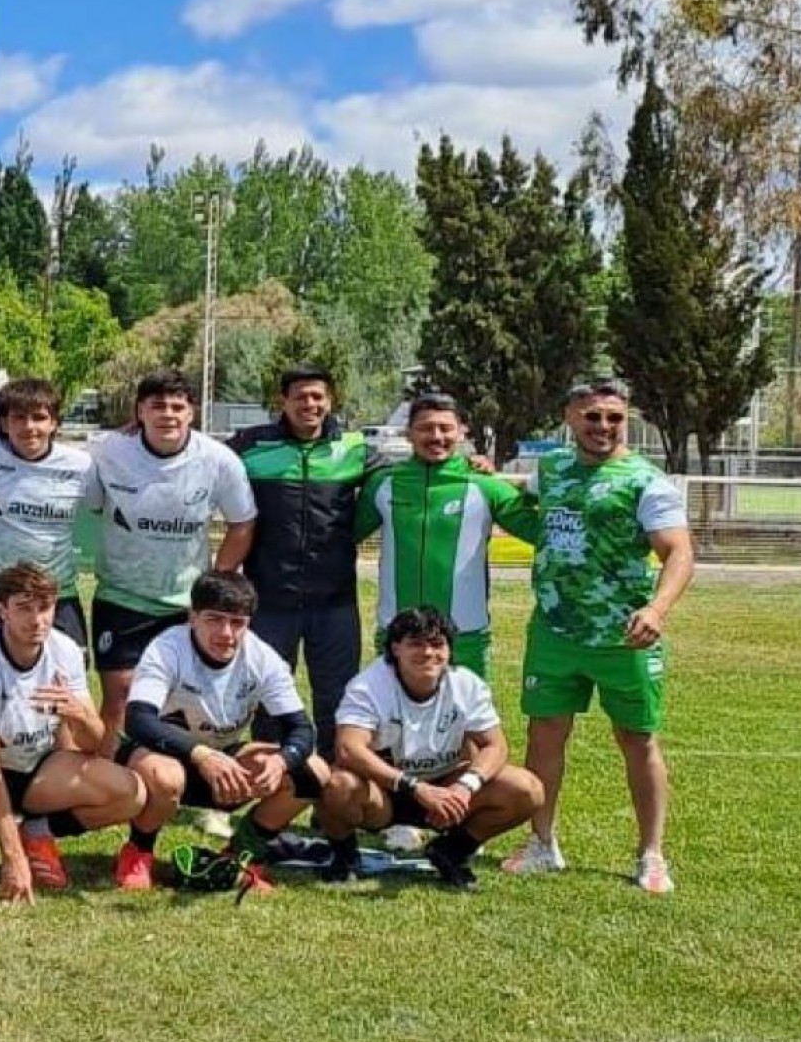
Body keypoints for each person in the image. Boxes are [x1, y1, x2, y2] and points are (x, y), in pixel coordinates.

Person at [506, 379, 694, 894]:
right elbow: (532, 512)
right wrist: (485, 474)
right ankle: (543, 844)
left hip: (623, 638)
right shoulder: (552, 468)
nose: (603, 427)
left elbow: (679, 552)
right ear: (569, 416)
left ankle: (651, 854)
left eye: (613, 417)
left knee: (638, 740)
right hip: (553, 631)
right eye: (592, 416)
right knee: (544, 736)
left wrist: (656, 609)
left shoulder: (645, 481)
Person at [0, 562, 141, 902]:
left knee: (130, 793)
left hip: (36, 766)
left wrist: (81, 715)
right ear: (1, 610)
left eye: (45, 608)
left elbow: (97, 744)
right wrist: (12, 858)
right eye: (24, 608)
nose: (37, 620)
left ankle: (38, 832)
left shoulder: (64, 650)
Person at [112, 571, 320, 896]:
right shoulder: (168, 648)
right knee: (166, 776)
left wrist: (280, 762)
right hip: (164, 758)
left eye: (237, 622)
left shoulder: (262, 657)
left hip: (223, 758)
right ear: (192, 617)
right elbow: (138, 720)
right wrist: (202, 755)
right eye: (214, 620)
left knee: (314, 772)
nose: (226, 633)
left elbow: (301, 729)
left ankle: (240, 855)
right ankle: (139, 852)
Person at [320, 606, 544, 890]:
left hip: (447, 787)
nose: (427, 653)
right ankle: (344, 858)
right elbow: (348, 749)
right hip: (385, 792)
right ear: (395, 648)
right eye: (416, 643)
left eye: (437, 644)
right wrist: (415, 788)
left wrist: (464, 788)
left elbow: (496, 746)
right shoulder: (369, 685)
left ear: (450, 650)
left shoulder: (466, 685)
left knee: (528, 789)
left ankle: (451, 852)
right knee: (337, 784)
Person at [84, 368, 257, 731]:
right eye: (157, 406)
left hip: (186, 604)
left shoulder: (219, 460)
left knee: (183, 700)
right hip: (122, 597)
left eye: (178, 407)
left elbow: (242, 523)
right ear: (139, 412)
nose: (168, 414)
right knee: (121, 697)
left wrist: (213, 583)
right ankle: (113, 781)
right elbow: (94, 508)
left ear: (191, 413)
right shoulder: (108, 452)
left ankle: (180, 776)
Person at [226, 366, 385, 738]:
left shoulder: (354, 448)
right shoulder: (251, 445)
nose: (309, 404)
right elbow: (195, 458)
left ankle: (335, 785)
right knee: (268, 698)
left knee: (339, 699)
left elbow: (406, 475)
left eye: (317, 396)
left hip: (335, 602)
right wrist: (137, 432)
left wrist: (474, 466)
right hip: (268, 599)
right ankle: (274, 783)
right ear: (283, 401)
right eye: (300, 396)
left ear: (330, 401)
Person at [358, 391, 539, 676]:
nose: (436, 436)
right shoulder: (383, 483)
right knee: (393, 718)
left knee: (468, 720)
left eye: (445, 428)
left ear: (462, 431)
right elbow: (340, 537)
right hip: (397, 632)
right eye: (425, 428)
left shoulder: (485, 485)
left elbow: (544, 532)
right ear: (408, 434)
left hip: (464, 635)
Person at [0, 377, 95, 646]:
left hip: (58, 597)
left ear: (54, 422)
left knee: (65, 685)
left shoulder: (82, 466)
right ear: (4, 423)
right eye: (19, 418)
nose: (30, 427)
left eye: (39, 418)